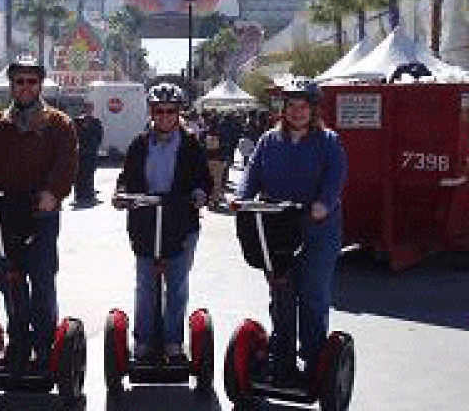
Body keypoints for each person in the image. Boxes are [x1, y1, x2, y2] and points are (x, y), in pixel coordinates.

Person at [0, 56, 78, 375]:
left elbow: (67, 164)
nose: (25, 87)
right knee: (9, 281)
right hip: (2, 215)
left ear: (40, 85)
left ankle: (44, 344)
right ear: (11, 85)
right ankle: (19, 341)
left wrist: (53, 193)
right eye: (19, 81)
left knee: (41, 280)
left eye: (31, 81)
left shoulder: (58, 123)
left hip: (40, 215)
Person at [233, 80, 347, 383]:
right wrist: (242, 199)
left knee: (312, 293)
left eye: (303, 107)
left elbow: (335, 177)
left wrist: (323, 204)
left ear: (313, 110)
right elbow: (252, 173)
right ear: (284, 109)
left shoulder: (328, 141)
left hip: (317, 229)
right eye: (292, 106)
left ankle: (312, 357)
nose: (297, 112)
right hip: (279, 227)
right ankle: (281, 357)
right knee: (281, 291)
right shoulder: (269, 140)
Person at [113, 82, 212, 362]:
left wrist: (200, 194)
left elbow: (204, 179)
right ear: (151, 112)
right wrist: (121, 194)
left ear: (178, 113)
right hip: (145, 222)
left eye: (170, 111)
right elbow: (126, 177)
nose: (165, 117)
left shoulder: (191, 145)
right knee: (146, 284)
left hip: (180, 222)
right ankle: (144, 342)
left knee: (176, 285)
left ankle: (172, 342)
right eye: (159, 111)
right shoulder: (139, 144)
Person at [73, 101, 103, 205]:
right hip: (80, 152)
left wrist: (94, 146)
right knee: (79, 173)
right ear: (84, 109)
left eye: (90, 108)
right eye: (87, 108)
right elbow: (74, 135)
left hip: (91, 152)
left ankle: (89, 194)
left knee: (90, 173)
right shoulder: (77, 121)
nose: (89, 110)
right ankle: (79, 194)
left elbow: (99, 136)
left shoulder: (96, 122)